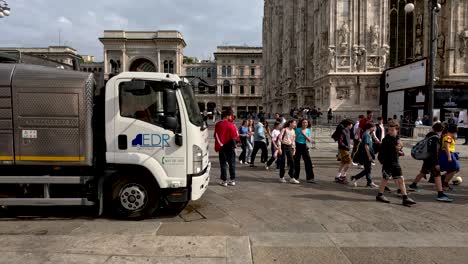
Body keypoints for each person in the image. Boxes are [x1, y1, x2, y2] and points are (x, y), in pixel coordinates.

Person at [407, 123, 453, 202]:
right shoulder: (435, 138)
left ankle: (413, 185)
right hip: (432, 159)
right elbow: (434, 152)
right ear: (441, 130)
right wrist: (436, 163)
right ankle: (440, 194)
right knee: (437, 175)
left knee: (423, 172)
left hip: (427, 159)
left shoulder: (429, 136)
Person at [376, 120, 417, 206]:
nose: (390, 132)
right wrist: (399, 147)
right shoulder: (386, 140)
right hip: (388, 162)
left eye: (392, 130)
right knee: (385, 179)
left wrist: (400, 147)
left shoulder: (396, 137)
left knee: (400, 179)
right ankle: (380, 195)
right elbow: (397, 146)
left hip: (394, 162)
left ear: (397, 130)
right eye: (389, 130)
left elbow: (399, 144)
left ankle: (405, 198)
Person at [214, 109, 239, 187]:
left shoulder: (218, 124)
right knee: (232, 163)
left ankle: (224, 181)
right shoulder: (232, 125)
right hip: (230, 146)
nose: (231, 117)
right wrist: (236, 142)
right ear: (227, 116)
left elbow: (216, 135)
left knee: (223, 164)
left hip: (222, 146)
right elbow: (236, 136)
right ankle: (232, 180)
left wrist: (220, 144)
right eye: (230, 115)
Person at [351, 123, 378, 188]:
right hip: (366, 155)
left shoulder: (367, 134)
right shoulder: (366, 135)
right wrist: (369, 156)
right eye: (373, 127)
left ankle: (369, 182)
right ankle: (355, 177)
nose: (374, 129)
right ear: (370, 127)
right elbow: (366, 146)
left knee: (368, 169)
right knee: (368, 169)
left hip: (366, 154)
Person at [294, 119, 316, 184]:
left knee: (308, 161)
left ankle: (310, 178)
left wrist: (304, 134)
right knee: (296, 161)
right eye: (303, 122)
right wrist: (298, 134)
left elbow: (309, 140)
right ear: (301, 123)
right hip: (297, 145)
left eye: (306, 122)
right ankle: (295, 177)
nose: (305, 124)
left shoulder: (308, 130)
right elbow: (294, 138)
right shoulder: (297, 129)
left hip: (304, 146)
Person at [439, 124, 461, 190]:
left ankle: (443, 179)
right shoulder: (448, 137)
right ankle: (444, 183)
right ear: (454, 132)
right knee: (454, 168)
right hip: (448, 154)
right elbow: (447, 148)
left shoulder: (449, 137)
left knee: (456, 169)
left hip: (450, 154)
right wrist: (449, 157)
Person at [335, 119, 354, 184]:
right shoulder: (342, 131)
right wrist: (347, 146)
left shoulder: (348, 131)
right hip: (343, 149)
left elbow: (348, 140)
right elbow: (340, 141)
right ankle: (343, 176)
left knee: (343, 162)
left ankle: (338, 176)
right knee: (349, 162)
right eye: (351, 125)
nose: (352, 126)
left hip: (346, 148)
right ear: (348, 125)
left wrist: (350, 145)